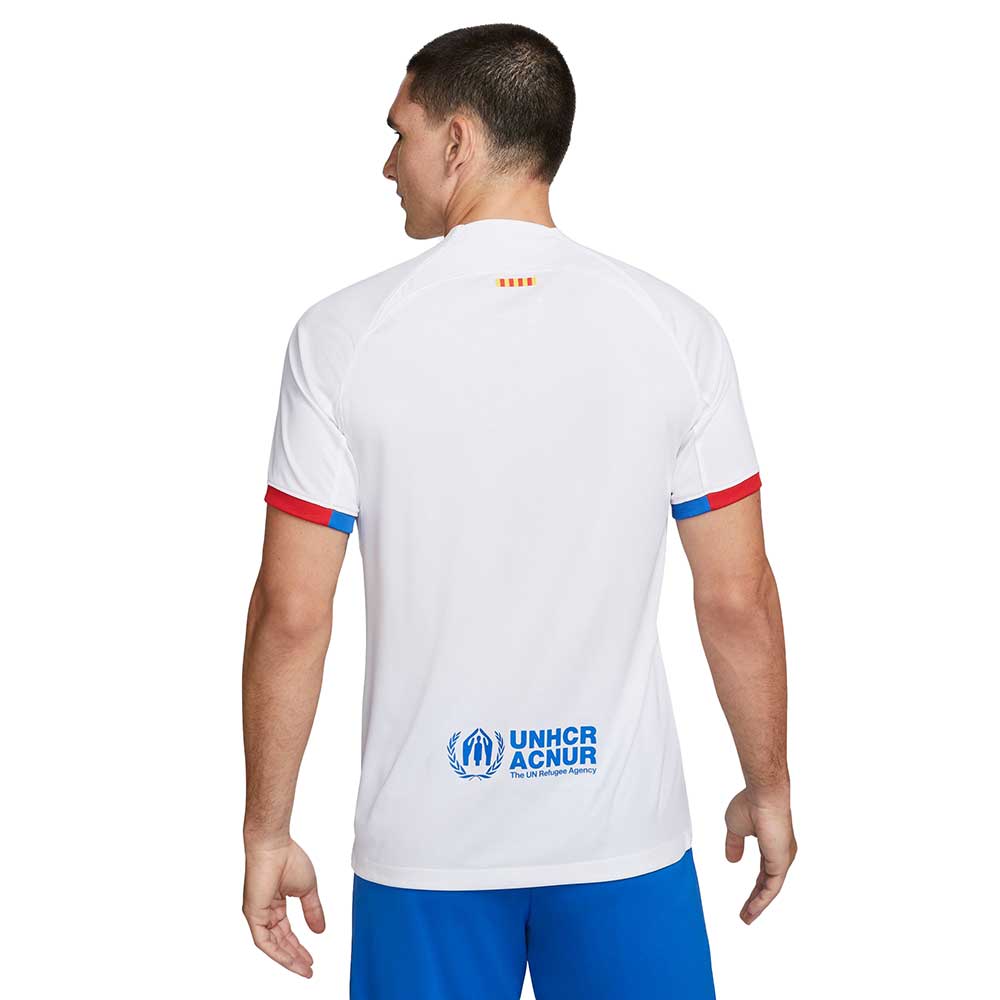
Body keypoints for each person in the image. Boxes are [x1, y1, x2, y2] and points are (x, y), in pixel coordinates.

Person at [242, 23, 795, 1000]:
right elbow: (736, 595)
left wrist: (267, 830)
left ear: (457, 140)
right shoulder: (676, 331)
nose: (388, 164)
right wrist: (769, 783)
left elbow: (292, 613)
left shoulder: (340, 339)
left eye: (400, 132)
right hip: (622, 840)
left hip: (426, 852)